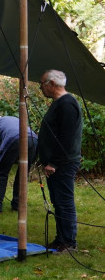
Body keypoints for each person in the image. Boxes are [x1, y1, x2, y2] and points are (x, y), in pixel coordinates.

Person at [38, 69, 82, 251]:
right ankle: (61, 238)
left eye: (42, 84)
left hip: (63, 163)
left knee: (64, 201)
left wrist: (53, 162)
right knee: (58, 201)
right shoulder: (60, 103)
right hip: (57, 163)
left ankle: (69, 242)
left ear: (52, 84)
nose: (41, 88)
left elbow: (67, 137)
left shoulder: (67, 104)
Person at [0, 115, 38, 213]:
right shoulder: (11, 119)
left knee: (1, 173)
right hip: (33, 139)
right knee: (22, 174)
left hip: (14, 139)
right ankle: (17, 205)